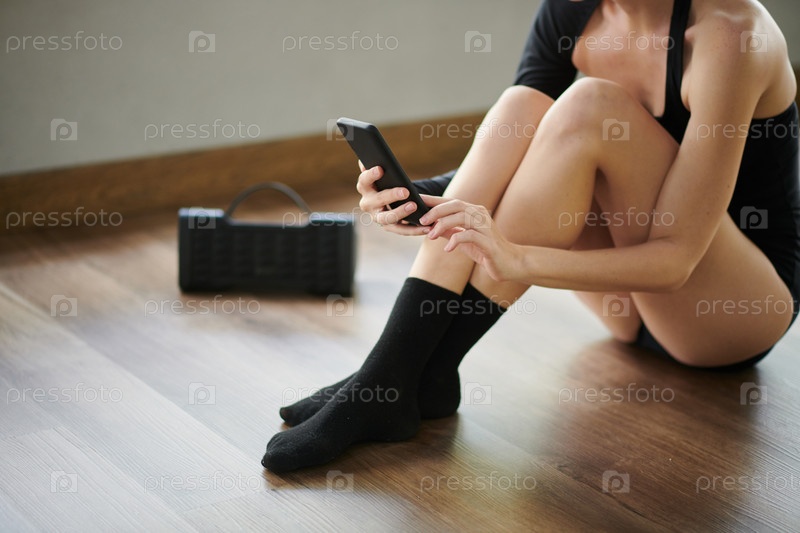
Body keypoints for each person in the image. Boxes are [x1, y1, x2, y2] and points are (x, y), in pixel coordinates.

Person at [262, 0, 799, 473]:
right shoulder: (574, 9)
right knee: (525, 106)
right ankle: (408, 375)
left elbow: (675, 260)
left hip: (726, 315)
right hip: (627, 306)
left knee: (592, 105)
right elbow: (512, 152)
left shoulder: (731, 35)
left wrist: (517, 259)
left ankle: (392, 378)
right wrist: (415, 197)